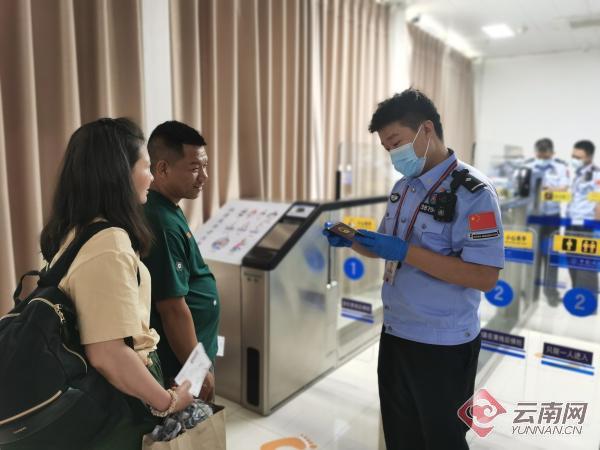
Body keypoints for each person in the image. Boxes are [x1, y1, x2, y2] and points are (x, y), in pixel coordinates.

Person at [323, 89, 504, 450]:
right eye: (386, 148)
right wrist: (353, 240)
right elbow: (386, 245)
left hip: (443, 344)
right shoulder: (403, 188)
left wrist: (407, 251)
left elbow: (484, 276)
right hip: (396, 333)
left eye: (396, 143)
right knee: (400, 435)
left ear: (427, 130)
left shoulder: (474, 193)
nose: (393, 154)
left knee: (442, 440)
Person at [37, 118, 193, 450]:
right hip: (117, 398)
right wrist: (167, 402)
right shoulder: (109, 243)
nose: (152, 177)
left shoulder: (73, 230)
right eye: (146, 167)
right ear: (119, 174)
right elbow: (108, 354)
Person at [142, 121, 219, 401]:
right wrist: (197, 371)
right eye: (195, 168)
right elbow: (172, 308)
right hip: (180, 362)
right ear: (162, 169)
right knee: (191, 422)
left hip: (191, 351)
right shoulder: (161, 222)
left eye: (205, 166)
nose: (204, 177)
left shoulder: (168, 208)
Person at [522, 138, 569, 305]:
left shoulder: (560, 167)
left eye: (546, 155)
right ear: (536, 153)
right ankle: (530, 291)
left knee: (551, 256)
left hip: (551, 218)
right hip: (533, 217)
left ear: (552, 153)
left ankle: (551, 293)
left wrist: (547, 190)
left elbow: (564, 188)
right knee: (532, 255)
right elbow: (521, 188)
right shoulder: (528, 166)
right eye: (540, 155)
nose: (543, 158)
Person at [566, 140, 600, 299]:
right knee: (572, 263)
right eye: (573, 156)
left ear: (589, 157)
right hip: (572, 224)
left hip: (587, 226)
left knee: (585, 265)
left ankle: (588, 302)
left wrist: (596, 228)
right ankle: (577, 297)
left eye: (578, 157)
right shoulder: (578, 174)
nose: (574, 160)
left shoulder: (596, 174)